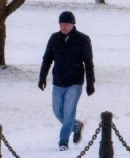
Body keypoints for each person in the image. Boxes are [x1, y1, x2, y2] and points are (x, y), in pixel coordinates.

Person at [39, 11, 95, 150]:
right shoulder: (54, 38)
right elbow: (47, 59)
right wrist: (42, 77)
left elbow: (88, 62)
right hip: (58, 81)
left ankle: (63, 141)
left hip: (75, 81)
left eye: (67, 24)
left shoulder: (83, 39)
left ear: (73, 24)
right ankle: (76, 126)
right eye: (61, 24)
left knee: (69, 110)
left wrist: (90, 83)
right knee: (58, 112)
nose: (64, 27)